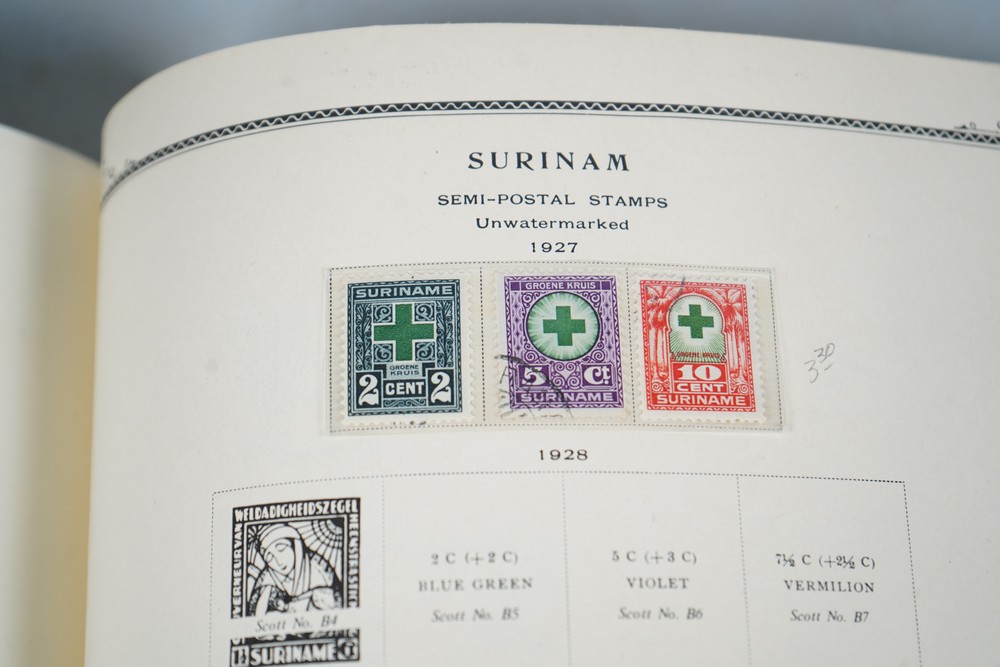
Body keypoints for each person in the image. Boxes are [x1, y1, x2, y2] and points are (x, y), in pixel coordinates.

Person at [248, 523, 343, 615]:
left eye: (281, 548)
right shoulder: (267, 579)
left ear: (295, 545)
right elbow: (257, 615)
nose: (279, 561)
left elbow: (337, 605)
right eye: (269, 557)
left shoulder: (319, 568)